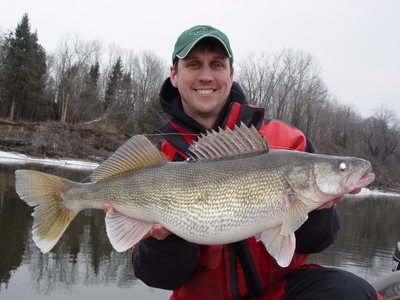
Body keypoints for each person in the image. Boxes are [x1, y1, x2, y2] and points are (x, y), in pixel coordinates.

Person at [106, 25, 381, 299]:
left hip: (280, 292)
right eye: (193, 64)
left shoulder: (287, 142)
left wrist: (319, 209)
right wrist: (164, 240)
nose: (206, 76)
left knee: (351, 291)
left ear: (231, 73)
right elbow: (160, 278)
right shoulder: (156, 161)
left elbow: (318, 241)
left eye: (216, 64)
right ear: (174, 75)